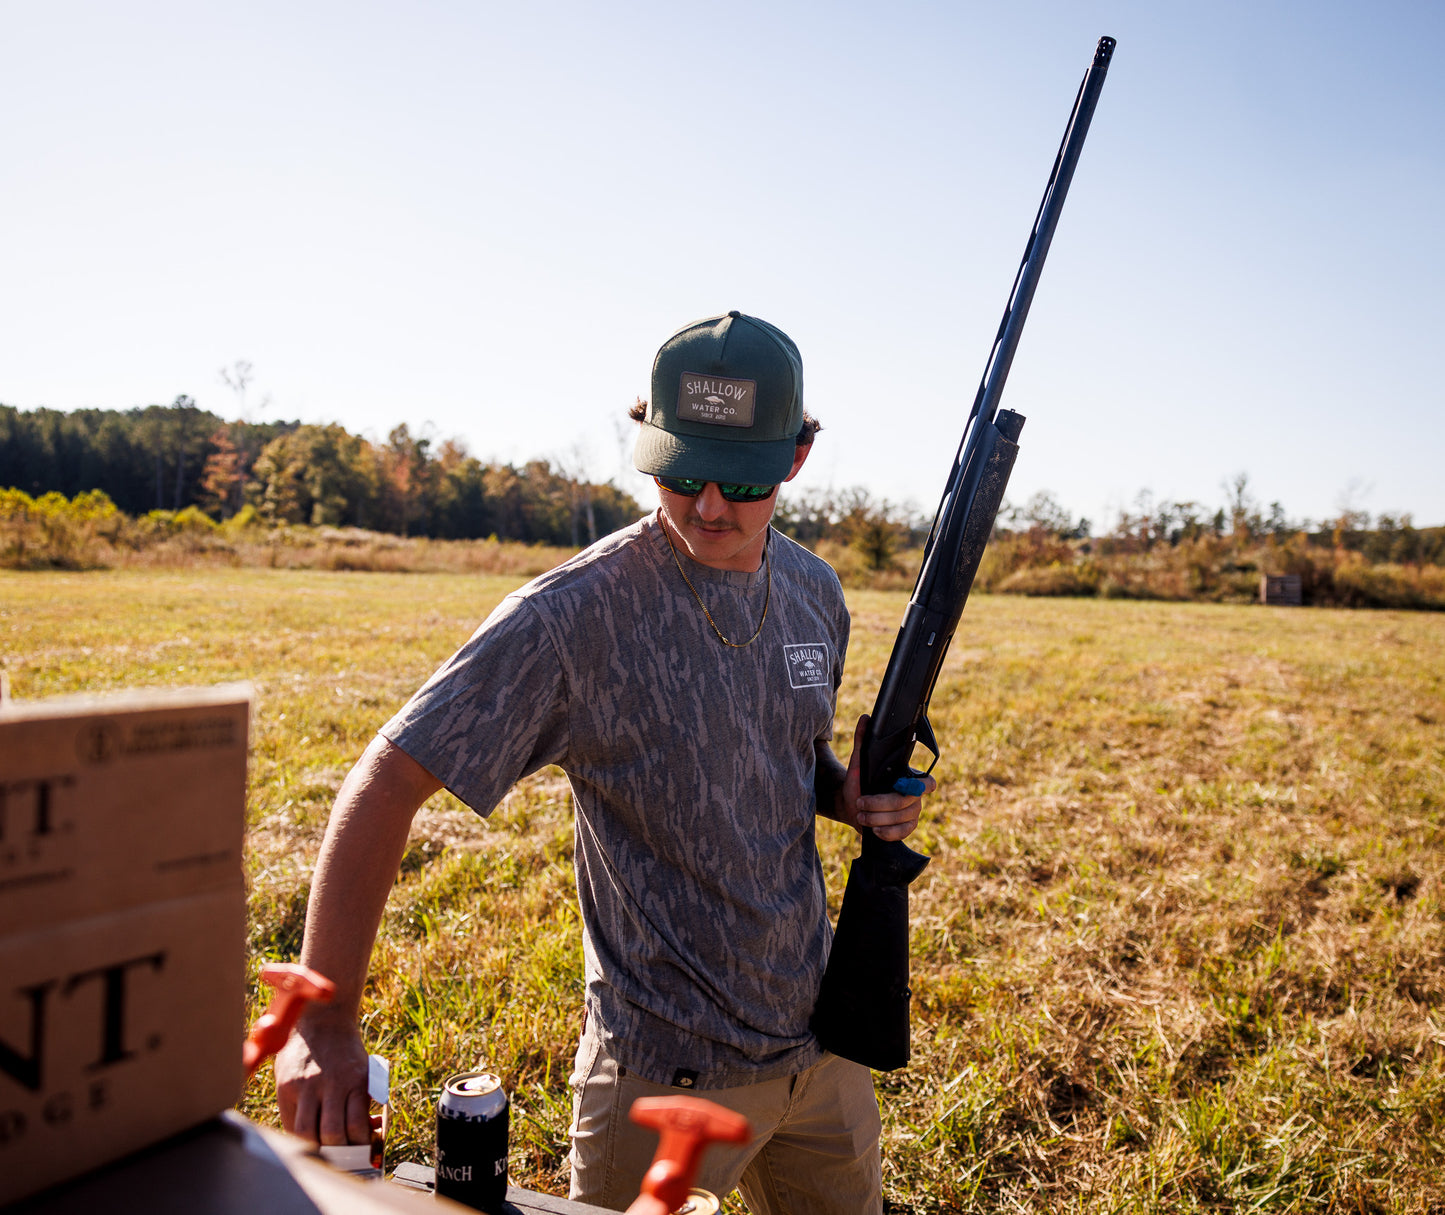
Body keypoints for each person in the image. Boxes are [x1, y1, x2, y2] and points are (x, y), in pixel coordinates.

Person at [275, 310, 932, 1214]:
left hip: (822, 1049)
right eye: (680, 473)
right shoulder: (572, 616)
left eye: (738, 480)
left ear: (793, 459)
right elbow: (387, 780)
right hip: (665, 1070)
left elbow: (784, 752)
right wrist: (322, 1017)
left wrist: (843, 797)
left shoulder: (816, 592)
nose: (706, 506)